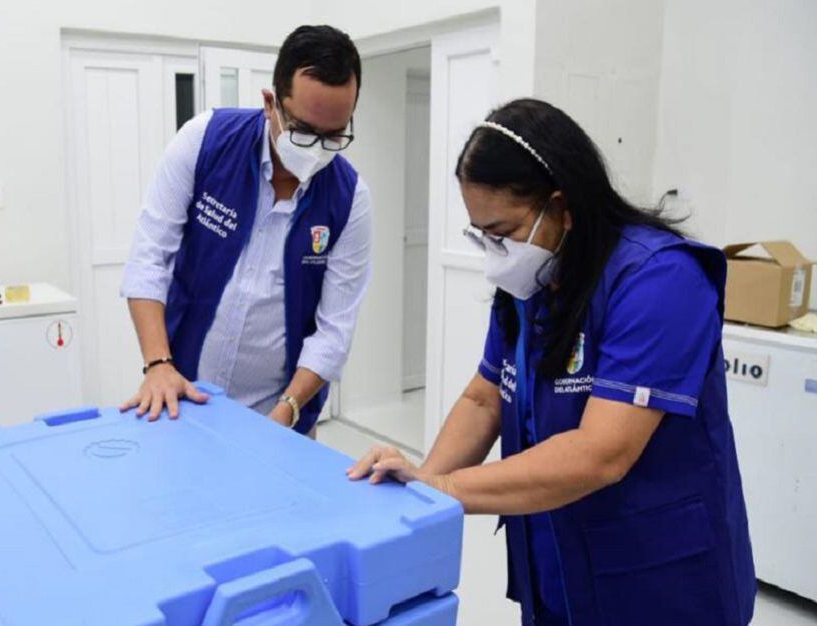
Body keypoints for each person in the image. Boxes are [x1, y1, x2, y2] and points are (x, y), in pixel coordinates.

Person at [348, 98, 756, 625]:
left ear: (562, 207)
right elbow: (485, 395)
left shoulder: (659, 280)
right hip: (561, 558)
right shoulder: (533, 281)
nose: (495, 251)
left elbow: (601, 453)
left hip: (658, 575)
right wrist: (421, 486)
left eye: (504, 232)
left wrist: (445, 490)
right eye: (482, 235)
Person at [118, 25, 371, 436]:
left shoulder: (350, 198)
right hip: (181, 397)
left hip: (280, 416)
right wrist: (158, 364)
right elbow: (149, 259)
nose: (318, 148)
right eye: (305, 132)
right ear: (271, 103)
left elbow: (334, 330)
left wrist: (288, 409)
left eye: (335, 135)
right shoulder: (205, 141)